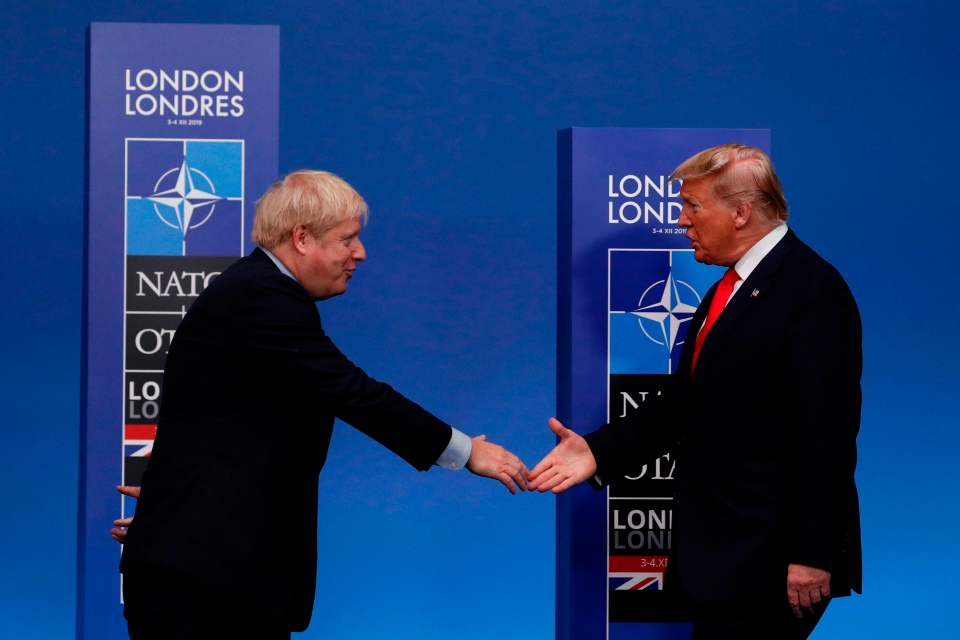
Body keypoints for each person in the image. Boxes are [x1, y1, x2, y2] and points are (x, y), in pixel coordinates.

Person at [116, 170, 529, 639]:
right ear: (302, 238)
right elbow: (351, 391)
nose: (360, 253)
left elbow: (218, 429)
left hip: (212, 567)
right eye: (348, 239)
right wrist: (464, 451)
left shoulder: (254, 292)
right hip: (206, 584)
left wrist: (176, 508)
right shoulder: (261, 298)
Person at [528, 144, 862, 639]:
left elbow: (827, 435)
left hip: (773, 558)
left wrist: (811, 554)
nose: (682, 220)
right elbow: (687, 402)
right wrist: (597, 451)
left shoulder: (813, 292)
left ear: (741, 212)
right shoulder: (727, 289)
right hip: (726, 554)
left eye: (693, 206)